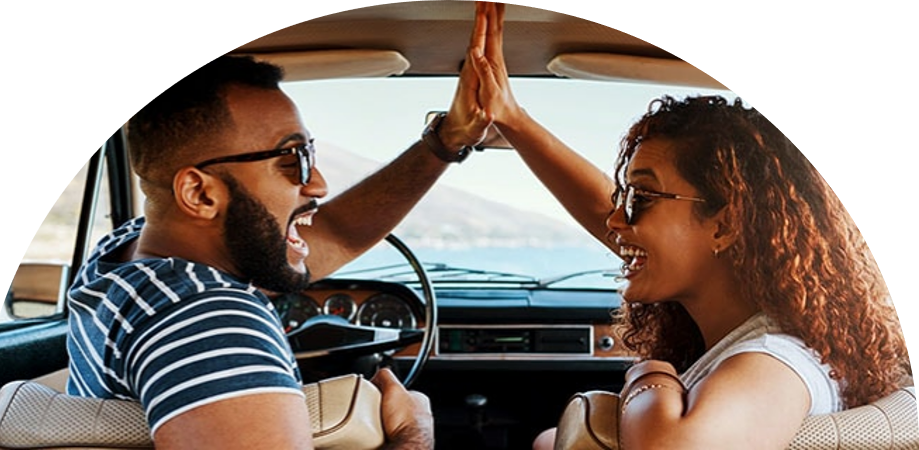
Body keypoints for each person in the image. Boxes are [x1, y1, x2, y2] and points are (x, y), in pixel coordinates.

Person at [466, 2, 912, 449]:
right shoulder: (762, 335)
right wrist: (513, 120)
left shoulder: (777, 361)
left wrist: (650, 371)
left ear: (724, 226)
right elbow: (636, 223)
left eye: (641, 198)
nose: (617, 219)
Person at [64, 52, 491, 449]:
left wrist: (444, 142)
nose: (318, 184)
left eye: (310, 153)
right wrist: (412, 431)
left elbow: (337, 233)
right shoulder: (211, 322)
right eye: (292, 160)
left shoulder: (129, 260)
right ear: (199, 193)